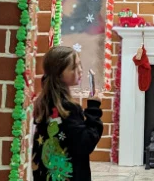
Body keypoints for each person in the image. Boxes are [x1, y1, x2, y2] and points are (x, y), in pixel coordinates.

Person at [32, 46, 103, 181]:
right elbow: (86, 143)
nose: (80, 70)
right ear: (59, 74)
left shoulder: (44, 102)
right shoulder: (68, 108)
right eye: (74, 67)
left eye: (80, 65)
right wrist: (93, 109)